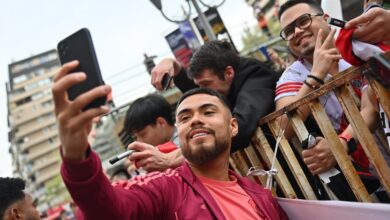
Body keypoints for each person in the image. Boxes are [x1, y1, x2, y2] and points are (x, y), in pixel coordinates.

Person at [52, 62, 288, 219]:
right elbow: (106, 209)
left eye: (208, 112)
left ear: (233, 126)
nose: (195, 120)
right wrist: (76, 155)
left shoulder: (263, 198)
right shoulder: (165, 189)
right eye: (185, 117)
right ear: (179, 132)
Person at [275, 0, 380, 180]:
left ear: (325, 18)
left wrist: (339, 145)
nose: (297, 31)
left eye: (303, 21)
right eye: (289, 31)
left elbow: (371, 106)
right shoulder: (293, 76)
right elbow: (282, 130)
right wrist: (316, 75)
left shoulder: (359, 42)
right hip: (371, 176)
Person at [151, 40, 279, 152]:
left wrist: (189, 152)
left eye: (206, 84)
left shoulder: (257, 76)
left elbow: (242, 126)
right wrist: (174, 65)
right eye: (200, 86)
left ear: (229, 73)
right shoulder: (218, 84)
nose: (204, 93)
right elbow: (194, 87)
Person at [123, 94, 183, 172]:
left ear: (161, 123)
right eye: (136, 137)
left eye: (142, 134)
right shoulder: (156, 153)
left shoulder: (187, 139)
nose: (140, 141)